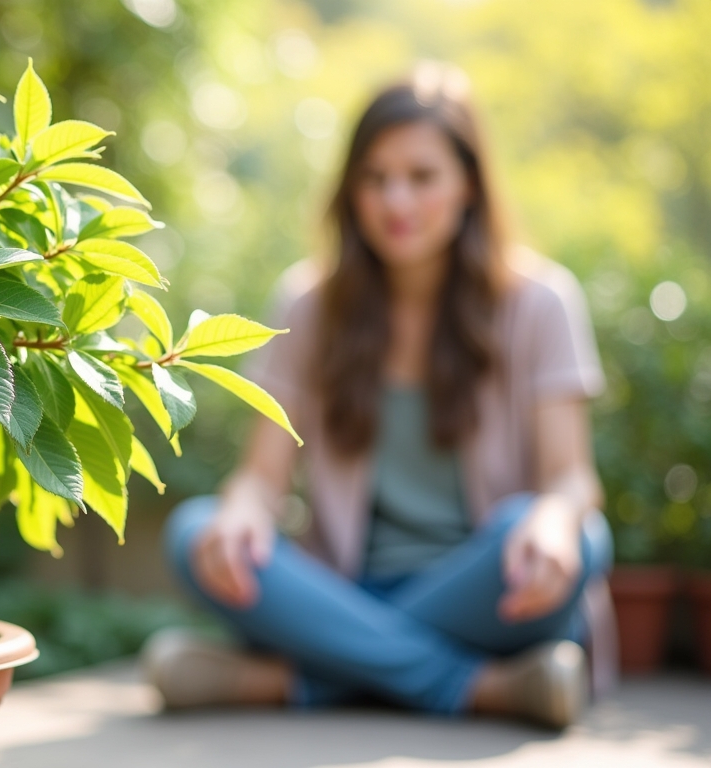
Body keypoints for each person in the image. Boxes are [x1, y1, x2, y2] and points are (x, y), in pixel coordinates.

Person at [142, 62, 613, 729]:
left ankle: (286, 679)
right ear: (350, 189)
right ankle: (484, 689)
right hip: (343, 589)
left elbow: (572, 481)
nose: (396, 201)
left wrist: (555, 522)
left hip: (483, 591)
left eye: (422, 177)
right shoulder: (308, 305)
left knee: (579, 538)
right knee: (196, 532)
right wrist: (241, 514)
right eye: (375, 178)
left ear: (469, 185)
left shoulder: (541, 303)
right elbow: (259, 480)